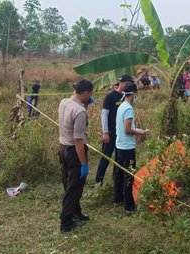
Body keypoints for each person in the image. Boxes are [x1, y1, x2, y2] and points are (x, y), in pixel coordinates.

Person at [57, 79, 95, 233]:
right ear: (85, 93)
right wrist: (84, 163)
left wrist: (84, 104)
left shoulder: (64, 102)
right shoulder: (80, 112)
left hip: (62, 148)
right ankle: (66, 223)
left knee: (70, 184)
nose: (90, 96)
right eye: (90, 94)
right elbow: (78, 140)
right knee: (74, 189)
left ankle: (76, 213)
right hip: (74, 151)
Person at [114, 83, 149, 215]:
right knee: (129, 176)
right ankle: (129, 207)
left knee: (119, 174)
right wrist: (141, 132)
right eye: (136, 95)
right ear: (133, 94)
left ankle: (118, 200)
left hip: (120, 145)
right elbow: (127, 129)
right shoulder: (128, 109)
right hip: (127, 147)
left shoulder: (121, 106)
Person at [94, 75, 134, 187]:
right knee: (106, 157)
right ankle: (98, 181)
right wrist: (105, 132)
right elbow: (104, 114)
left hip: (120, 133)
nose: (127, 86)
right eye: (126, 83)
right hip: (110, 132)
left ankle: (115, 180)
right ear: (120, 83)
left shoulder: (126, 97)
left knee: (118, 158)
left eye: (129, 84)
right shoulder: (110, 96)